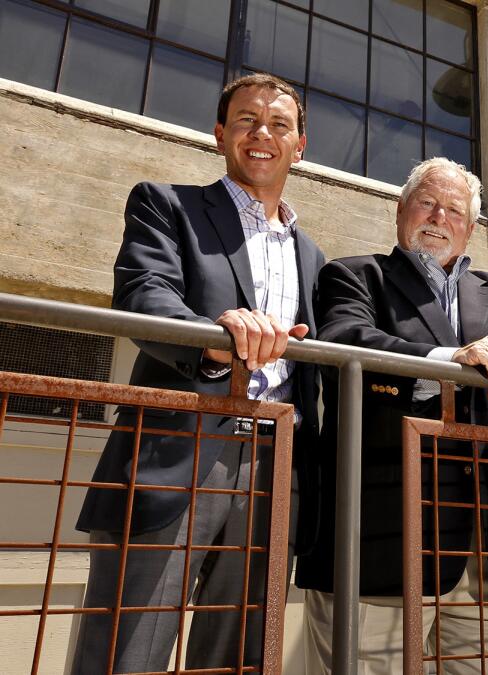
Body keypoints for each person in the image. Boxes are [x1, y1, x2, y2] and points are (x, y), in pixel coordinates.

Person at [72, 73, 325, 672]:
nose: (262, 133)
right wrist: (216, 341)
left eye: (279, 124)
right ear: (220, 135)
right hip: (177, 457)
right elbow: (142, 295)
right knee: (123, 656)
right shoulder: (167, 205)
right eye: (246, 121)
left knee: (237, 659)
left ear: (300, 145)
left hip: (272, 470)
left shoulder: (313, 257)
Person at [295, 157, 488, 674]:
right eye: (427, 203)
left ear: (472, 227)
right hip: (383, 546)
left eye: (455, 210)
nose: (439, 217)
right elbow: (346, 340)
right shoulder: (353, 276)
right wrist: (449, 362)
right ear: (401, 210)